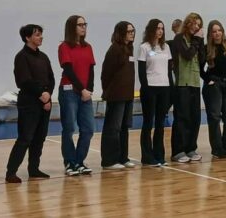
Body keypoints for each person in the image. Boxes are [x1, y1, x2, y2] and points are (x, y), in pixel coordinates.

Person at [6, 24, 55, 182]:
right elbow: (24, 80)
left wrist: (48, 96)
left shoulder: (44, 57)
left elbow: (51, 79)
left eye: (41, 34)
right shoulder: (21, 57)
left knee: (39, 138)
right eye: (37, 35)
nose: (40, 37)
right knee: (25, 138)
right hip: (29, 103)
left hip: (44, 103)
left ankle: (34, 169)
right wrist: (41, 94)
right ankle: (11, 172)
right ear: (27, 37)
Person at [57, 14, 95, 176]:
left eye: (85, 24)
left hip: (85, 93)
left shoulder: (88, 47)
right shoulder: (64, 47)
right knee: (69, 128)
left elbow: (91, 70)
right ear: (72, 27)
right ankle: (70, 162)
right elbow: (68, 70)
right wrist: (82, 89)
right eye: (80, 25)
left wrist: (89, 90)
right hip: (69, 92)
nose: (83, 27)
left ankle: (79, 161)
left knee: (88, 129)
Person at [100, 21, 137, 170]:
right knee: (113, 127)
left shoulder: (129, 48)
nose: (132, 34)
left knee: (124, 127)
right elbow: (106, 74)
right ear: (121, 33)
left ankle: (123, 157)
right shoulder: (114, 49)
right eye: (129, 31)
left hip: (128, 95)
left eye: (133, 31)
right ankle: (109, 160)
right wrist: (108, 91)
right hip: (116, 96)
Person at [170, 13, 206, 163]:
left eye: (199, 25)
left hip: (195, 83)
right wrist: (197, 41)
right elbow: (187, 54)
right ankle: (178, 150)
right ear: (187, 23)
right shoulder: (179, 38)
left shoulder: (196, 41)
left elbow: (202, 60)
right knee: (182, 117)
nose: (196, 27)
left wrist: (200, 42)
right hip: (182, 84)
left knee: (195, 118)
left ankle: (191, 148)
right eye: (194, 23)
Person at [203, 19, 226, 159]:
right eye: (214, 31)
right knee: (214, 117)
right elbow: (200, 68)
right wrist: (208, 79)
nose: (217, 33)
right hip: (214, 85)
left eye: (219, 30)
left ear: (223, 32)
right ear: (210, 34)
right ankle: (218, 149)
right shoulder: (207, 48)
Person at [137, 19, 172, 166]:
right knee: (148, 122)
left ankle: (159, 154)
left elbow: (169, 70)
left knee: (160, 123)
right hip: (150, 88)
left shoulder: (166, 47)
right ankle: (147, 156)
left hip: (164, 87)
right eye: (158, 28)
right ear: (151, 30)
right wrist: (145, 88)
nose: (160, 31)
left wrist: (171, 88)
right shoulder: (144, 47)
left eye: (162, 28)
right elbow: (141, 72)